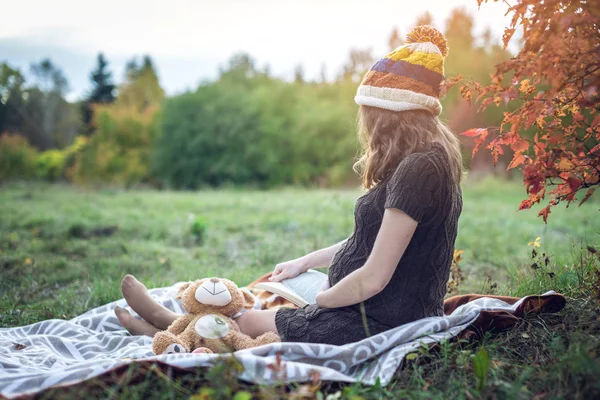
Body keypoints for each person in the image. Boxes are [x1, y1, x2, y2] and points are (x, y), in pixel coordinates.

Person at [115, 25, 463, 346]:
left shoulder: (418, 169)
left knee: (246, 326)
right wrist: (304, 262)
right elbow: (377, 240)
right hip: (371, 304)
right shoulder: (428, 156)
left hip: (378, 317)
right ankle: (172, 325)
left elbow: (374, 276)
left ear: (389, 113)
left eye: (369, 113)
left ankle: (166, 326)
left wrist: (323, 301)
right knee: (250, 318)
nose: (367, 126)